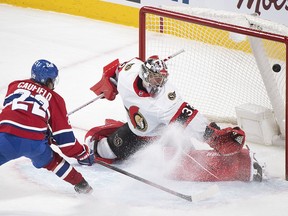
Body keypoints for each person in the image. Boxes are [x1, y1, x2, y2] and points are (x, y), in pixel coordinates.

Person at [86, 55, 264, 182]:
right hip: (136, 135)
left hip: (162, 136)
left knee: (185, 165)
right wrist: (109, 83)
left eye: (162, 79)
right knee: (103, 151)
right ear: (144, 75)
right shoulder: (129, 72)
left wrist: (212, 136)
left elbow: (189, 119)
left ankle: (242, 166)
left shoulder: (165, 100)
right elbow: (116, 69)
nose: (159, 84)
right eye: (155, 79)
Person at [0, 59, 94, 194]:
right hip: (34, 144)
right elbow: (66, 142)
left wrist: (44, 131)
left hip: (5, 138)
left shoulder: (14, 86)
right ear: (48, 80)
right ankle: (83, 185)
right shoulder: (55, 98)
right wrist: (83, 154)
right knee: (52, 161)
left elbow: (13, 114)